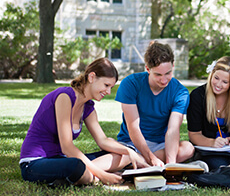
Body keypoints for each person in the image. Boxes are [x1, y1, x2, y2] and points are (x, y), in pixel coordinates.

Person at [19, 58, 147, 186]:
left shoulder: (88, 107)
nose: (108, 92)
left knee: (123, 155)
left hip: (61, 160)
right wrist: (102, 175)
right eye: (106, 85)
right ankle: (90, 177)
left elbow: (103, 141)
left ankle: (75, 178)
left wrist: (129, 151)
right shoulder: (65, 96)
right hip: (35, 163)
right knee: (76, 165)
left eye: (111, 87)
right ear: (92, 77)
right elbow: (67, 147)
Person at [116, 41, 194, 166]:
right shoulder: (130, 84)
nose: (164, 80)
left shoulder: (180, 92)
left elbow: (173, 130)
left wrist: (171, 165)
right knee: (123, 155)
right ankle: (138, 161)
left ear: (173, 65)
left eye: (168, 73)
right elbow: (133, 128)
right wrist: (151, 158)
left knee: (188, 148)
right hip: (131, 143)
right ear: (148, 69)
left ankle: (136, 163)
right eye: (158, 74)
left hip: (161, 145)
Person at [187, 57, 230, 171]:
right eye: (216, 78)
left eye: (225, 82)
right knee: (217, 162)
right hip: (209, 149)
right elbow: (194, 134)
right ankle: (228, 169)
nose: (218, 84)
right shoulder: (198, 96)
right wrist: (212, 143)